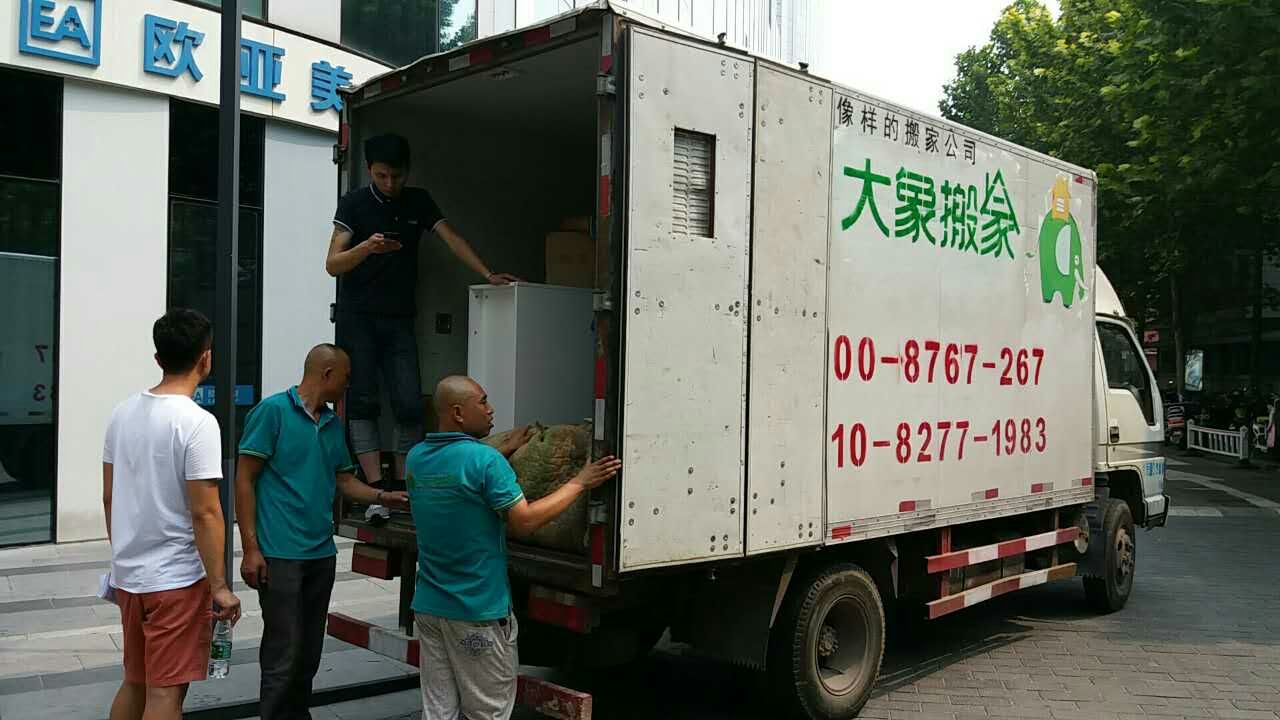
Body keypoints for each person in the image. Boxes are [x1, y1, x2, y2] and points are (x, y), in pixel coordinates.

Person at [407, 376, 621, 720]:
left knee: (439, 712)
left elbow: (459, 469)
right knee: (487, 713)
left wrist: (501, 450)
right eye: (483, 402)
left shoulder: (417, 458)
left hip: (430, 610)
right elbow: (524, 521)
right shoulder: (485, 463)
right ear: (458, 413)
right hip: (477, 613)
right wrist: (580, 482)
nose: (491, 410)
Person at [326, 133, 518, 493]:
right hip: (358, 316)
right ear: (369, 170)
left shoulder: (418, 201)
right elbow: (332, 264)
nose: (389, 183)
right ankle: (376, 486)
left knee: (410, 403)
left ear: (408, 171)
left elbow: (451, 238)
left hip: (400, 316)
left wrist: (487, 273)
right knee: (363, 401)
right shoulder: (353, 204)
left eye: (396, 176)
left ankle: (406, 482)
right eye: (381, 176)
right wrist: (367, 248)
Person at [234, 344, 409, 719]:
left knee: (309, 653)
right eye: (346, 377)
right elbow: (244, 479)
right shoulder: (272, 412)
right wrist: (250, 548)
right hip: (280, 555)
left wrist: (383, 495)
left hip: (320, 555)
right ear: (327, 373)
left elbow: (344, 481)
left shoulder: (331, 424)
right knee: (283, 652)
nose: (348, 385)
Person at [103, 308, 241, 720]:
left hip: (130, 578)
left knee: (135, 681)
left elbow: (109, 497)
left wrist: (124, 558)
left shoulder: (121, 413)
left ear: (158, 358)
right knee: (165, 695)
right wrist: (220, 586)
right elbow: (206, 512)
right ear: (206, 358)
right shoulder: (198, 423)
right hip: (176, 580)